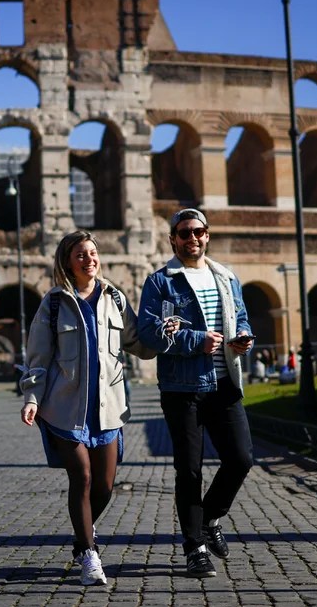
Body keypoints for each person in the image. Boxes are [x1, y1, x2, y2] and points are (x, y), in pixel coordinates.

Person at [19, 230, 161, 587]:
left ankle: (81, 537)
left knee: (106, 485)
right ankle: (90, 554)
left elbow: (136, 344)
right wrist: (32, 398)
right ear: (68, 261)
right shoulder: (53, 303)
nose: (89, 259)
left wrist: (164, 336)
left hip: (108, 407)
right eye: (81, 254)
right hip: (66, 407)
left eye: (93, 253)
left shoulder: (114, 297)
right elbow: (38, 358)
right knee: (81, 477)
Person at [137, 208, 255, 578]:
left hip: (224, 385)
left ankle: (208, 518)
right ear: (173, 238)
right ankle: (195, 548)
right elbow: (150, 334)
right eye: (184, 233)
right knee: (189, 470)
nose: (192, 239)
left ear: (207, 235)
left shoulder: (226, 276)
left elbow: (242, 316)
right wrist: (195, 340)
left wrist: (243, 339)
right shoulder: (161, 282)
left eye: (199, 232)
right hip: (182, 389)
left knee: (241, 459)